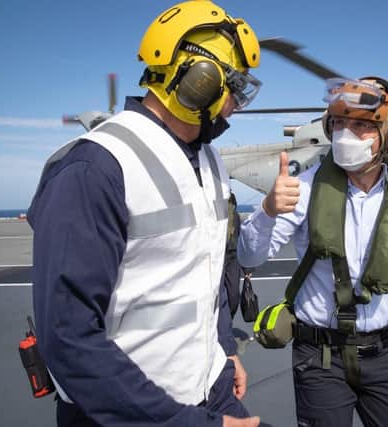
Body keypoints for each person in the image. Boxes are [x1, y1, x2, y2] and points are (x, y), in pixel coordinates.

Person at [27, 1, 262, 426]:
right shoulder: (95, 168)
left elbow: (206, 275)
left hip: (211, 388)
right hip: (132, 413)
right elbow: (68, 338)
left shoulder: (210, 161)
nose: (235, 105)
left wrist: (224, 353)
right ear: (199, 83)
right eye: (234, 89)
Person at [238, 77, 388, 426]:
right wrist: (268, 210)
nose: (346, 135)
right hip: (319, 357)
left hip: (385, 355)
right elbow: (248, 257)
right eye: (340, 123)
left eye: (362, 125)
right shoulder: (304, 187)